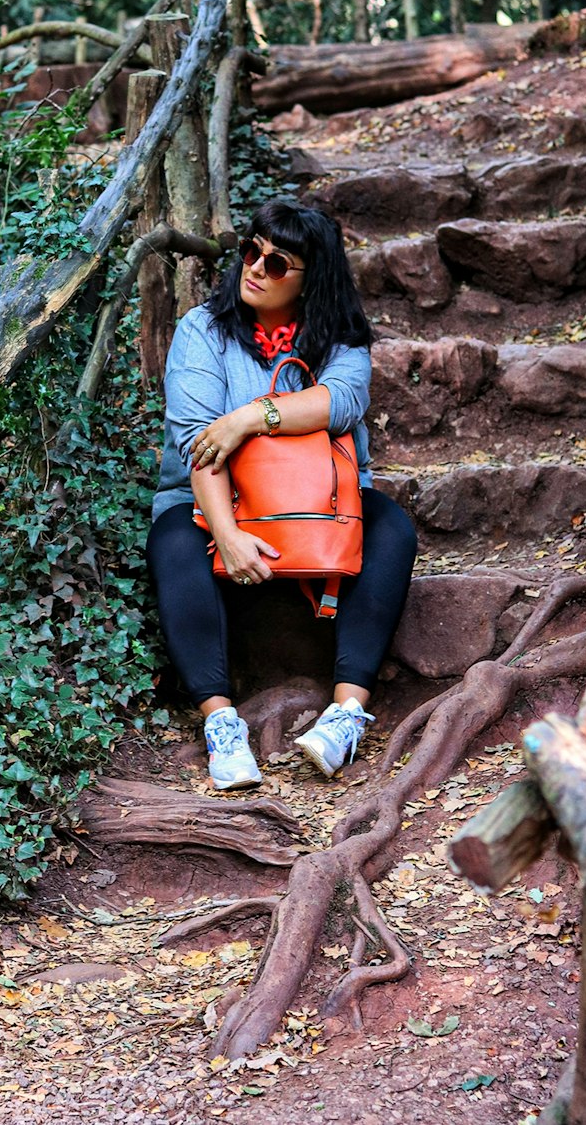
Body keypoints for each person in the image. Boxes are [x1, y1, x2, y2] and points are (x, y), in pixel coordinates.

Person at [147, 198, 417, 790]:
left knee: (392, 527)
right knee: (173, 541)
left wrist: (250, 417)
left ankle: (345, 716)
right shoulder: (204, 331)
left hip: (322, 504)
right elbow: (199, 446)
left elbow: (342, 401)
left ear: (309, 278)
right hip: (214, 504)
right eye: (252, 251)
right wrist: (227, 535)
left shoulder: (340, 339)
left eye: (276, 263)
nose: (254, 267)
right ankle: (222, 725)